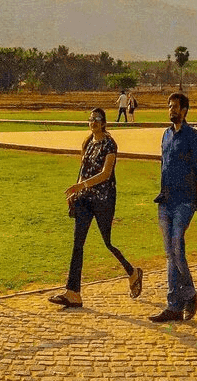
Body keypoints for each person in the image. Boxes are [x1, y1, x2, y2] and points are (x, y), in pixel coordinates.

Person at [50, 108, 141, 308]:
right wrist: (76, 192)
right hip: (85, 199)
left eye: (97, 119)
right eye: (91, 119)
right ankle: (73, 292)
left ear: (104, 123)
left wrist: (80, 186)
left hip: (103, 199)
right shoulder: (87, 142)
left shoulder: (110, 144)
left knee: (107, 242)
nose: (93, 122)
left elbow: (106, 174)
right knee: (78, 243)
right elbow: (83, 170)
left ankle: (132, 272)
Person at [150, 92, 197, 323]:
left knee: (176, 246)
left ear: (184, 110)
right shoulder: (165, 135)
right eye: (169, 106)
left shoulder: (194, 137)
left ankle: (189, 294)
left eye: (174, 107)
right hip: (165, 200)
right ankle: (176, 303)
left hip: (185, 201)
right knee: (170, 252)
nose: (171, 110)